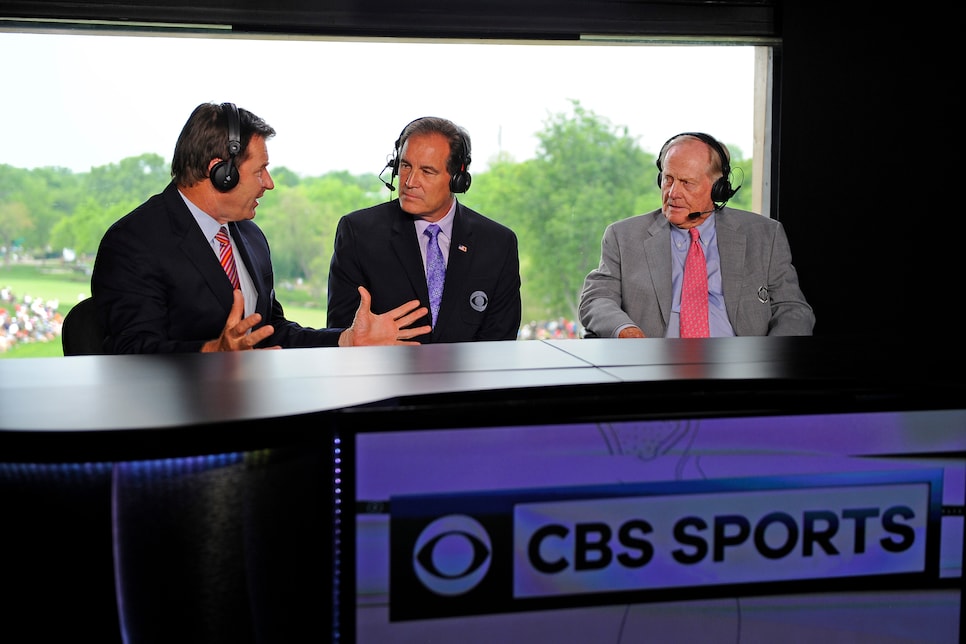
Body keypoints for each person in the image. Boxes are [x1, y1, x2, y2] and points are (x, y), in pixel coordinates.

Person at [91, 102, 430, 353]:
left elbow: (273, 332)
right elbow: (132, 352)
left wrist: (346, 340)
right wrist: (213, 353)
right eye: (259, 171)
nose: (268, 184)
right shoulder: (133, 243)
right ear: (221, 172)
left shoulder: (249, 236)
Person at [579, 132, 814, 338]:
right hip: (654, 372)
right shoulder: (623, 237)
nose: (673, 193)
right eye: (668, 179)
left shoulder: (764, 235)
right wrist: (624, 330)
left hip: (741, 372)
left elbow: (792, 308)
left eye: (687, 183)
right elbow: (596, 298)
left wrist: (769, 362)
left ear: (718, 188)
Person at [326, 116, 521, 343]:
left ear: (457, 179)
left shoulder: (498, 244)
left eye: (427, 171)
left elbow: (500, 344)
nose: (410, 181)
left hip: (470, 379)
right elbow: (342, 335)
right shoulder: (357, 233)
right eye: (406, 166)